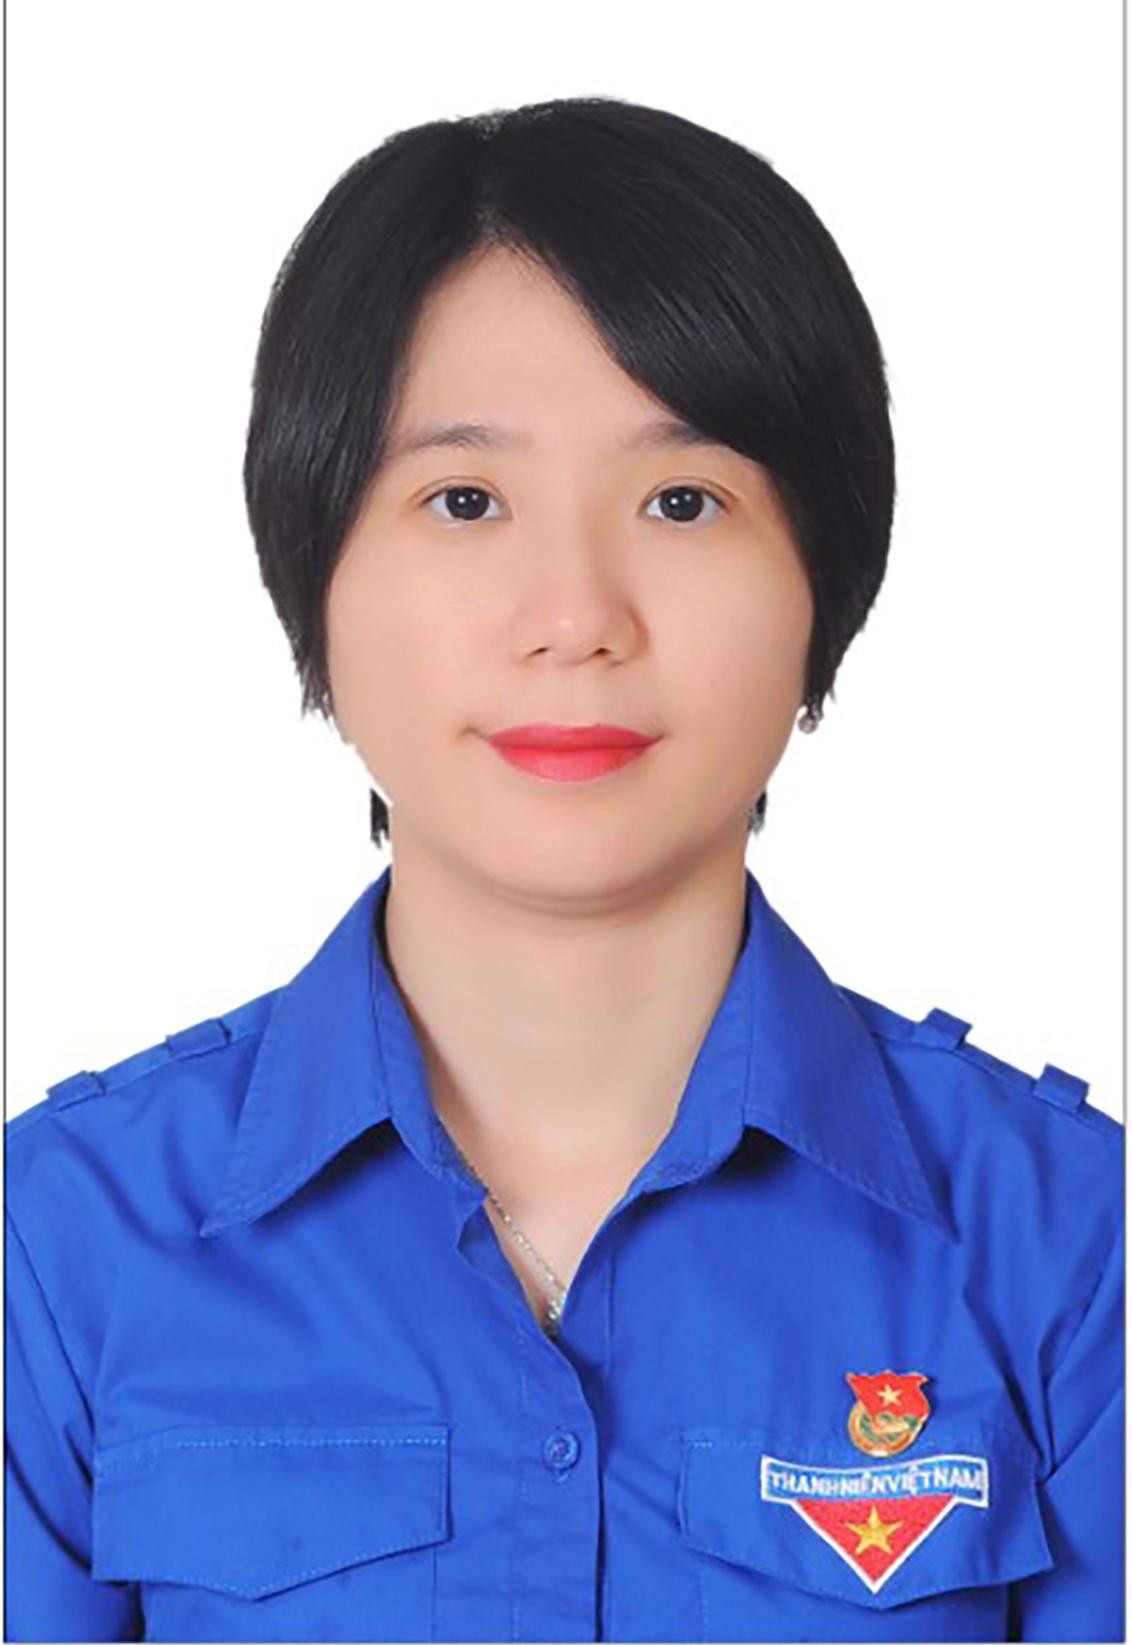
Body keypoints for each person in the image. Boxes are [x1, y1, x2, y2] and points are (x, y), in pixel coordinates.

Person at [5, 96, 1122, 1644]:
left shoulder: (1071, 1244)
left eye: (682, 500)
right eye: (466, 501)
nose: (577, 614)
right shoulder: (60, 1244)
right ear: (315, 576)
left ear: (825, 579)